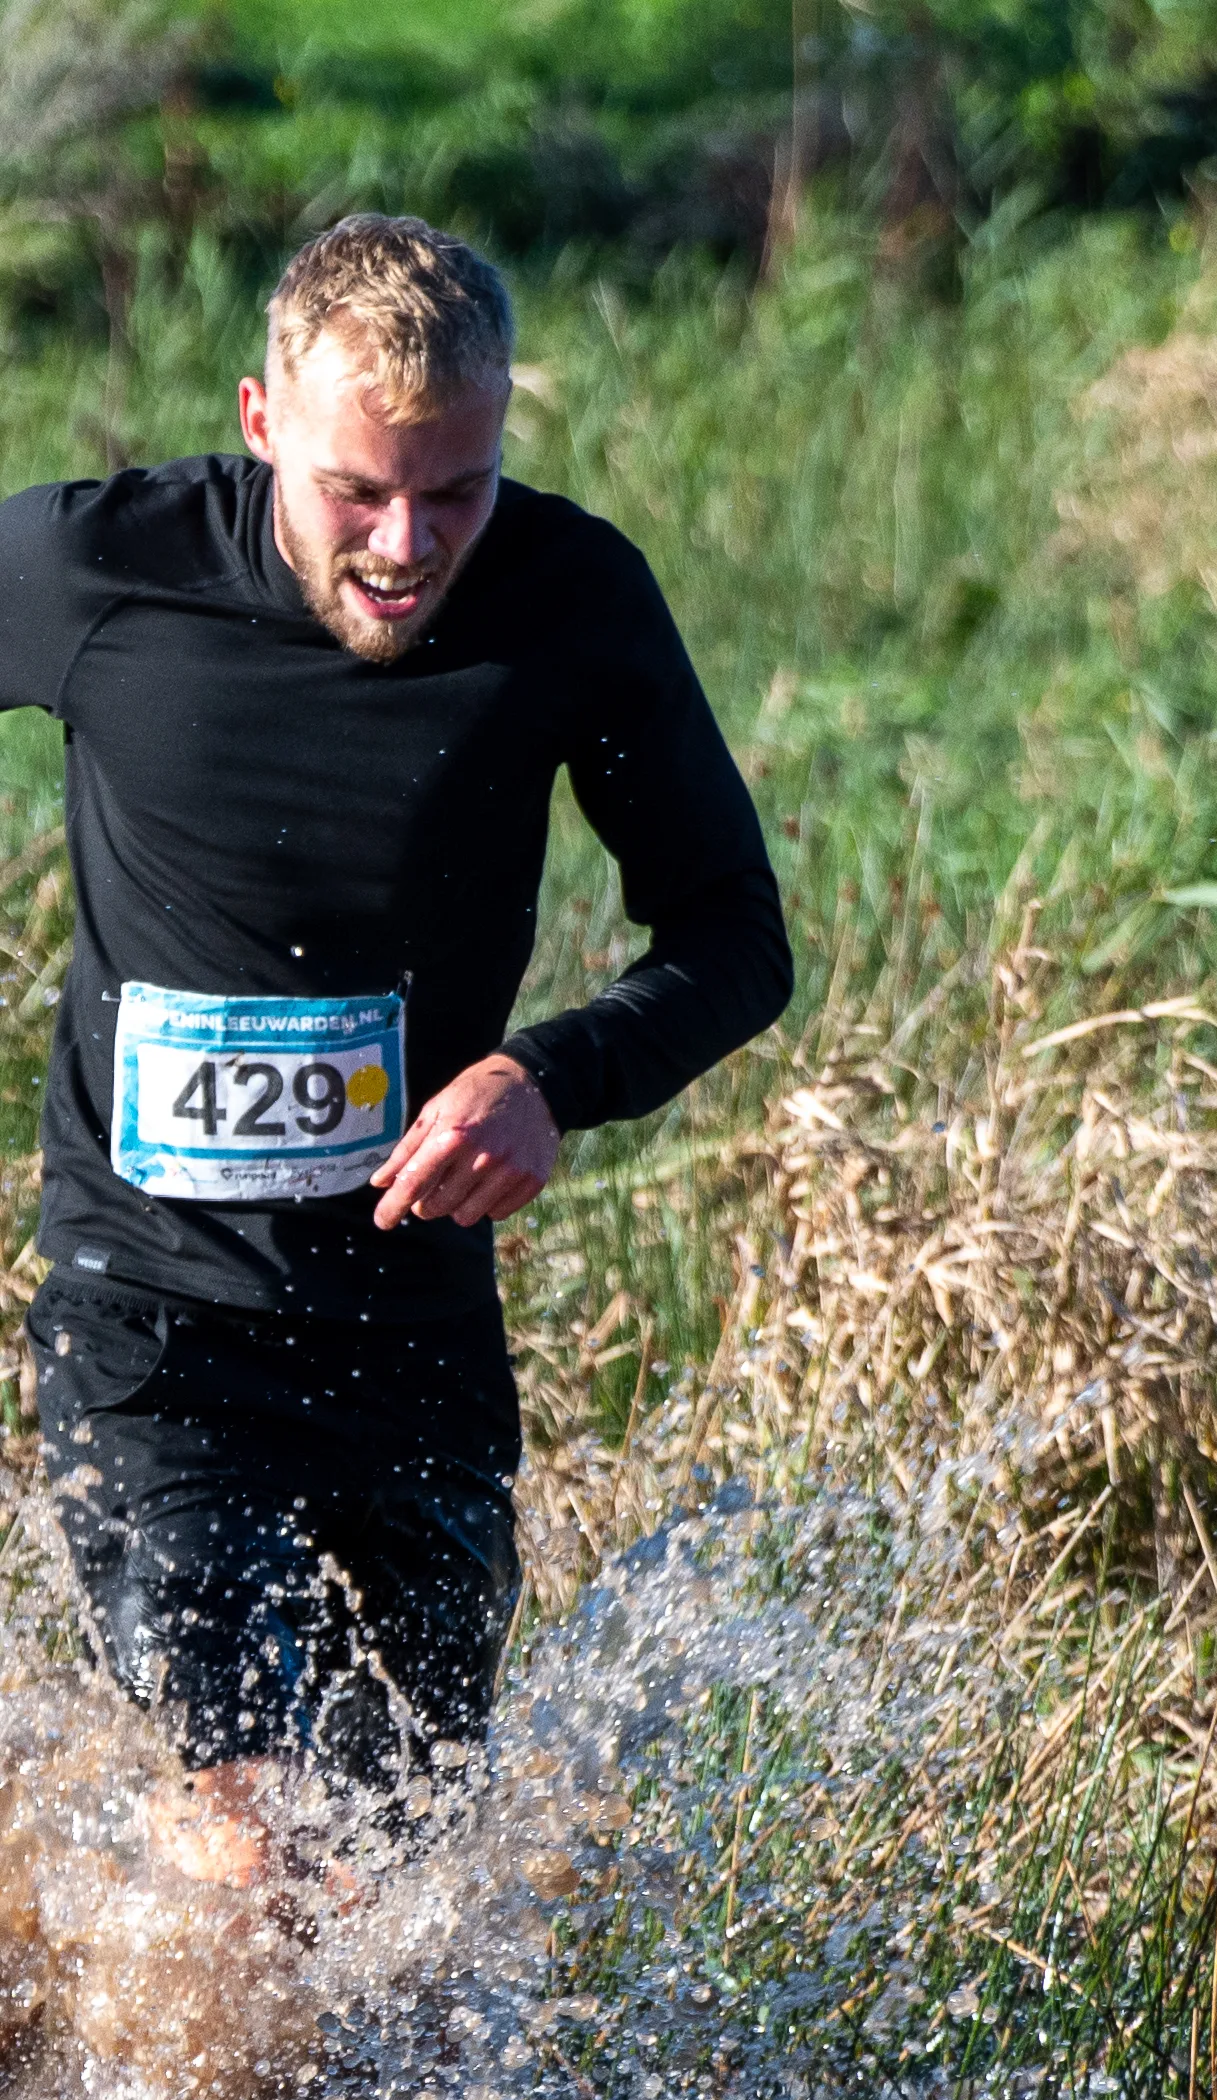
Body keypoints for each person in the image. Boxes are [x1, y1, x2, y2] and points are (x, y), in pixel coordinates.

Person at [0, 214, 792, 1887]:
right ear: (263, 417)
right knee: (254, 1829)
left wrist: (552, 1077)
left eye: (455, 489)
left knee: (405, 1871)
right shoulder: (98, 570)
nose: (404, 543)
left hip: (410, 1341)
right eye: (359, 490)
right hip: (155, 1331)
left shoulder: (572, 601)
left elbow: (734, 934)